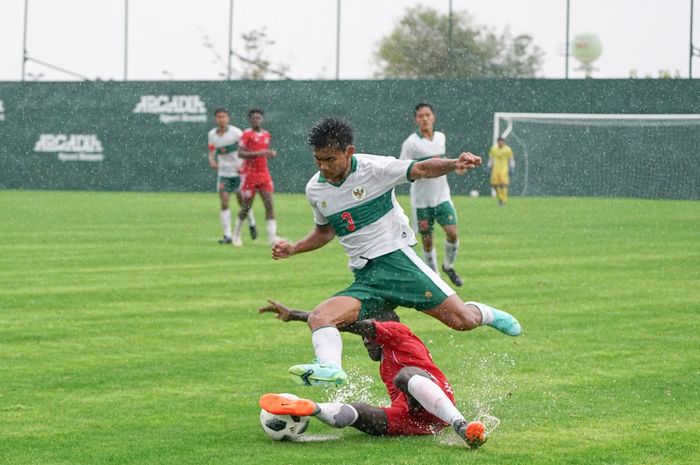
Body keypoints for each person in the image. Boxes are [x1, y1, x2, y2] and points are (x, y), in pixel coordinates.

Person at [271, 117, 522, 387]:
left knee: (463, 321)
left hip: (398, 263)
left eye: (330, 159)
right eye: (317, 159)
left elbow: (422, 168)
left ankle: (489, 314)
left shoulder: (375, 168)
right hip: (366, 277)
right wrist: (294, 248)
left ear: (349, 152)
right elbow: (325, 231)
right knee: (321, 317)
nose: (323, 166)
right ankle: (330, 368)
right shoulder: (315, 189)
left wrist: (453, 163)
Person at [258, 300, 487, 448]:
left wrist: (300, 315)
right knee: (360, 411)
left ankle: (462, 426)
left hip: (436, 403)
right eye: (364, 340)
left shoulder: (399, 332)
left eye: (369, 337)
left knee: (404, 377)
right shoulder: (385, 358)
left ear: (381, 327)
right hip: (411, 420)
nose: (366, 342)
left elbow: (354, 325)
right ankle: (313, 408)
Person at [400, 103, 463, 286]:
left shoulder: (441, 138)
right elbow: (402, 167)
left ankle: (448, 265)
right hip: (421, 200)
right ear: (416, 120)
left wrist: (456, 168)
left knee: (452, 233)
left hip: (442, 196)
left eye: (428, 115)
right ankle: (435, 276)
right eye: (420, 116)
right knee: (427, 241)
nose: (425, 118)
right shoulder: (411, 143)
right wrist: (420, 171)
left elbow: (444, 164)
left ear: (433, 117)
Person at [207, 108, 256, 244]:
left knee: (242, 201)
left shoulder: (236, 133)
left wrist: (243, 165)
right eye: (219, 117)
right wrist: (212, 160)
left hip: (238, 172)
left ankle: (251, 222)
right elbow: (211, 150)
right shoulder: (212, 135)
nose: (221, 119)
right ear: (215, 119)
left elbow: (246, 149)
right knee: (224, 202)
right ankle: (227, 235)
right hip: (223, 173)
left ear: (228, 118)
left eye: (224, 117)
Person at [233, 109, 278, 246]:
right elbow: (240, 153)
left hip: (264, 174)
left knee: (269, 205)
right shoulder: (247, 134)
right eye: (254, 118)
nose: (256, 120)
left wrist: (269, 153)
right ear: (250, 120)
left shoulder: (266, 134)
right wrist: (261, 152)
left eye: (258, 118)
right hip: (250, 175)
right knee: (246, 207)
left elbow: (263, 153)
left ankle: (272, 239)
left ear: (262, 119)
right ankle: (236, 235)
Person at [486, 137, 515, 207]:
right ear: (497, 142)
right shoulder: (493, 149)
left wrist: (512, 167)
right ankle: (500, 198)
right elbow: (491, 159)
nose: (500, 143)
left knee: (503, 185)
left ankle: (503, 200)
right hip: (495, 170)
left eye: (501, 142)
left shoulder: (508, 149)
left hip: (504, 170)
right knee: (494, 185)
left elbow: (511, 159)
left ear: (504, 142)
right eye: (499, 141)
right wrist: (488, 166)